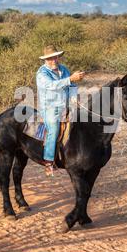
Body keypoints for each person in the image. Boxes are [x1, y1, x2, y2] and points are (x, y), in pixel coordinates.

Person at [36, 45, 85, 176]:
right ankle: (48, 162)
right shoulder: (42, 73)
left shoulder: (64, 69)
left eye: (55, 57)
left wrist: (74, 99)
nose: (54, 60)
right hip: (50, 108)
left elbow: (72, 86)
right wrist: (70, 79)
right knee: (53, 130)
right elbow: (52, 86)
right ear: (45, 60)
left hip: (66, 106)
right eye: (50, 58)